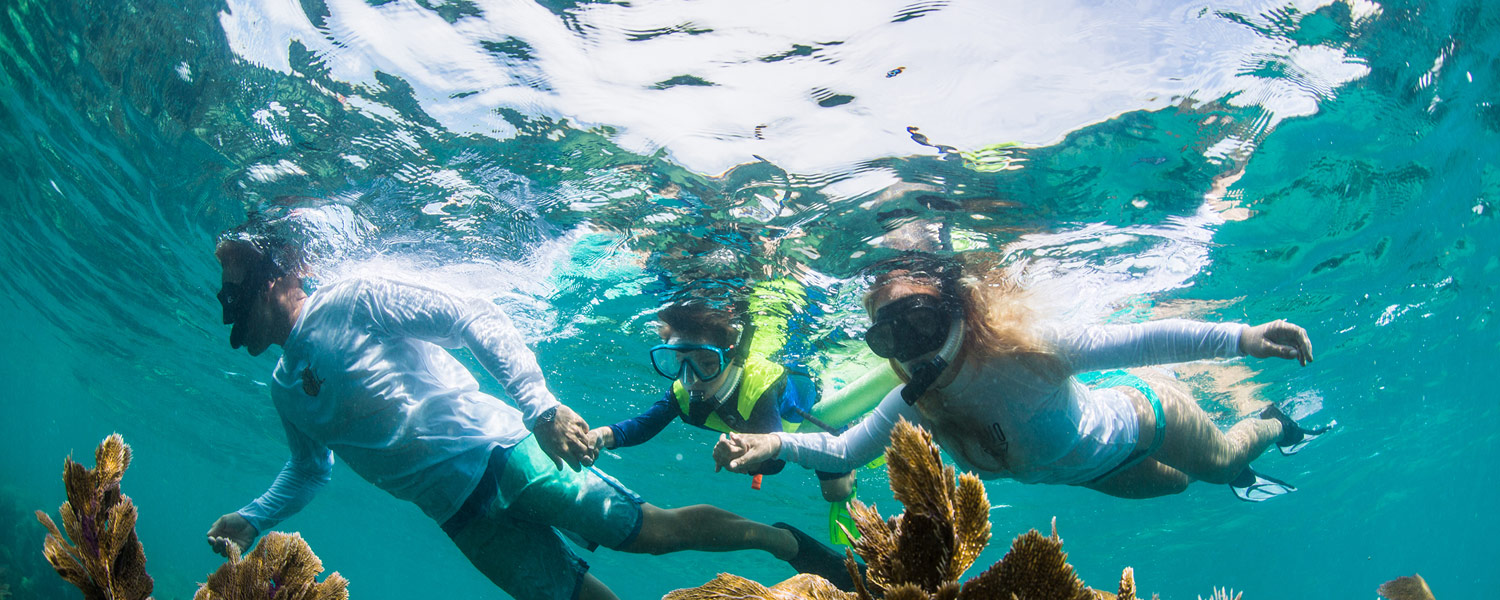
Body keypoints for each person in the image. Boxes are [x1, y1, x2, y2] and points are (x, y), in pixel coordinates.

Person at [202, 214, 857, 600]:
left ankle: (783, 542)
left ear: (277, 277)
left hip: (505, 454)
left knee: (653, 536)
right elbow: (311, 468)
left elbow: (470, 314)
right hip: (457, 517)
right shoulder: (285, 388)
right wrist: (252, 517)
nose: (229, 304)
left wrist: (540, 408)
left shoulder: (352, 298)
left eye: (237, 287)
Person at [713, 252, 1331, 502]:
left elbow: (1141, 339)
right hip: (1094, 472)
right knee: (1177, 490)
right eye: (888, 339)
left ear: (959, 311)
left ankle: (1271, 423)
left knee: (1220, 466)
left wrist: (1242, 339)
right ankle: (1234, 454)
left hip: (1145, 417)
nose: (912, 354)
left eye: (921, 324)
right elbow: (846, 448)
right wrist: (774, 443)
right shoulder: (914, 404)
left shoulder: (1026, 350)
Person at [586, 296, 864, 539]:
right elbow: (643, 426)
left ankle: (848, 432)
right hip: (775, 431)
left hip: (809, 417)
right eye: (677, 363)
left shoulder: (759, 386)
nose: (691, 378)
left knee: (836, 493)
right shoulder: (683, 390)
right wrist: (599, 436)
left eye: (706, 363)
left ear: (732, 357)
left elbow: (776, 462)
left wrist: (741, 457)